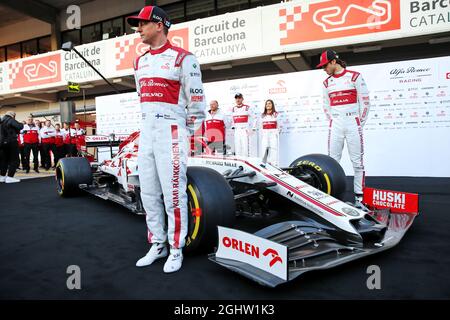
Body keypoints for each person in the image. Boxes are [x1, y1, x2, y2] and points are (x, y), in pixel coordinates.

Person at [127, 5, 206, 273]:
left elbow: (196, 105)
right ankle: (158, 243)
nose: (138, 29)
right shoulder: (139, 62)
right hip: (147, 132)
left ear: (159, 25)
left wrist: (184, 134)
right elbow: (142, 97)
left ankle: (176, 248)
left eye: (142, 23)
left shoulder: (185, 59)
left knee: (174, 194)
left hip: (172, 132)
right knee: (148, 192)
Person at [318, 49, 370, 209]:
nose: (323, 69)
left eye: (325, 65)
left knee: (358, 163)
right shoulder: (326, 83)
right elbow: (326, 106)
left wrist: (358, 122)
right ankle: (332, 198)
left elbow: (365, 102)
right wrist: (334, 120)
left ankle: (360, 200)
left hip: (353, 122)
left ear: (333, 62)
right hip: (336, 124)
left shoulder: (355, 76)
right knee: (332, 161)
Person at [0, 111, 24, 183]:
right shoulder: (9, 119)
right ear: (12, 115)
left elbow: (11, 130)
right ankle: (10, 177)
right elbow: (20, 126)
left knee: (4, 160)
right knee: (14, 160)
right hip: (11, 142)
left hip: (2, 143)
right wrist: (22, 123)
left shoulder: (1, 120)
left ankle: (2, 176)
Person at [260, 99, 280, 166]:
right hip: (265, 135)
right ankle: (265, 164)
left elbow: (280, 126)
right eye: (266, 104)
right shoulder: (262, 115)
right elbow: (260, 126)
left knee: (273, 149)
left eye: (269, 103)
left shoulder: (276, 114)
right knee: (264, 149)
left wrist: (276, 133)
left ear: (272, 105)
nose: (268, 105)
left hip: (273, 134)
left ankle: (274, 165)